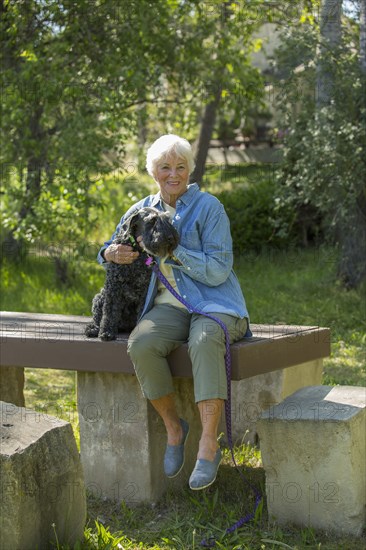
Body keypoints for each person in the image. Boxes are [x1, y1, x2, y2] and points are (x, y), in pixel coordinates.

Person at [98, 134, 250, 490]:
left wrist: (172, 250)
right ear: (153, 171)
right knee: (141, 344)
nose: (173, 174)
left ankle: (209, 444)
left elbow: (218, 270)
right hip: (167, 308)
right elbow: (111, 243)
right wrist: (109, 253)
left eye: (180, 167)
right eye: (165, 167)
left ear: (189, 170)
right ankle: (174, 427)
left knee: (204, 339)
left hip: (215, 305)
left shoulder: (210, 208)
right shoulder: (141, 209)